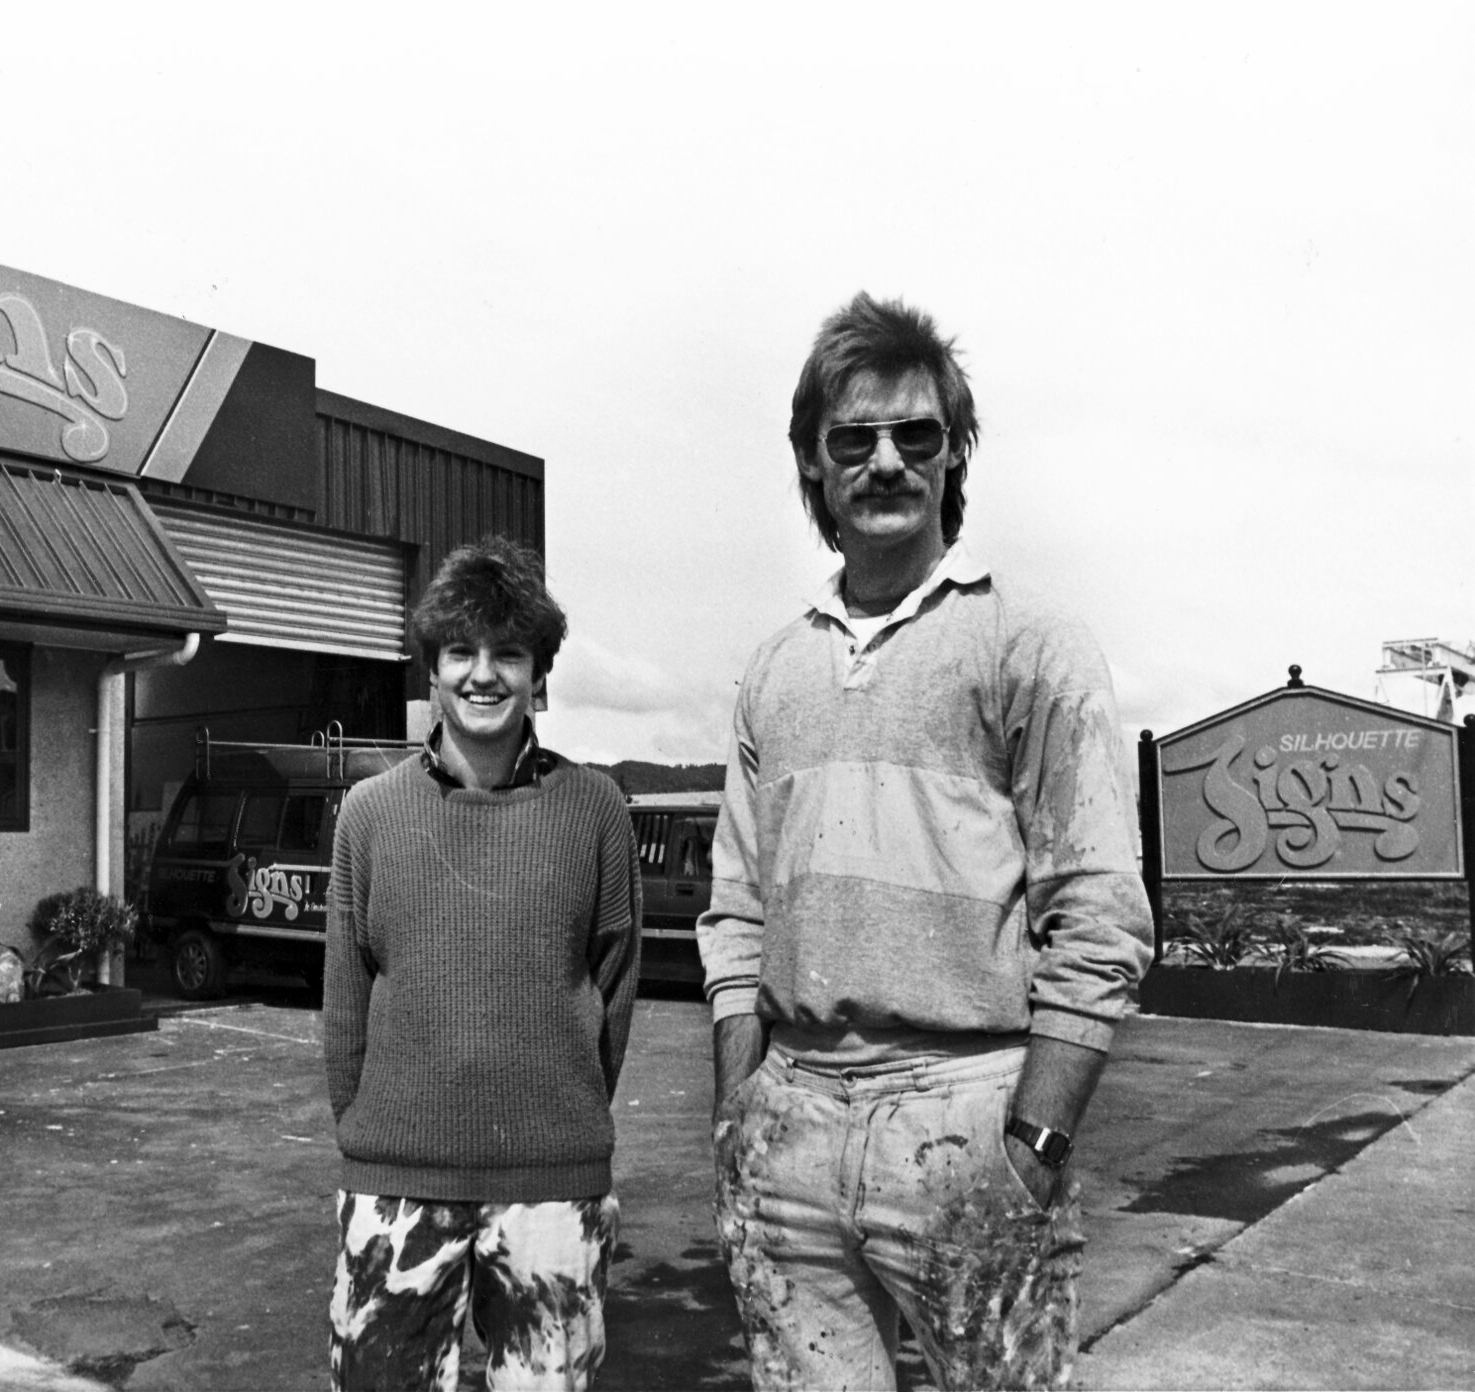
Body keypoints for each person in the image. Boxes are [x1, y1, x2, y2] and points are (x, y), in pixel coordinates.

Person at [700, 292, 1153, 1391]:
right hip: (789, 1123)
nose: (886, 462)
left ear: (954, 456)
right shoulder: (773, 671)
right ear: (812, 465)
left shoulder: (1029, 645)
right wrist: (738, 1112)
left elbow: (1101, 914)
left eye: (916, 434)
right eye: (852, 439)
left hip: (967, 1115)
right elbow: (736, 908)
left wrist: (1033, 1145)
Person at [324, 536, 642, 1392]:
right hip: (396, 1184)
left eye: (509, 654)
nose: (483, 674)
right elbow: (345, 1004)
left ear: (539, 674)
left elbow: (613, 993)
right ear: (431, 669)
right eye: (460, 651)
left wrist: (559, 1120)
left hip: (552, 1190)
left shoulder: (595, 811)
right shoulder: (368, 814)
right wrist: (375, 1138)